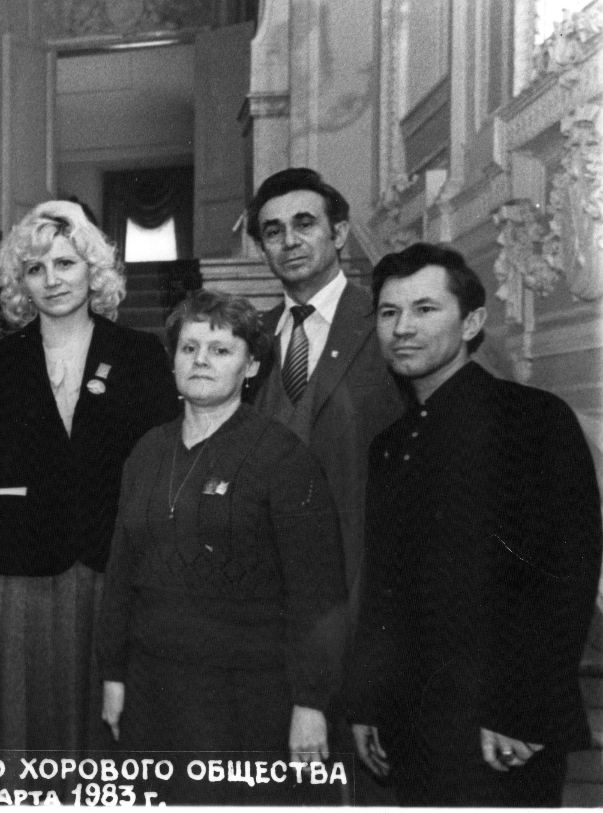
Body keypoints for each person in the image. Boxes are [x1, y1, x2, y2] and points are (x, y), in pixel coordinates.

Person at [345, 243, 601, 807]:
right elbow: (385, 589)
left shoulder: (532, 419)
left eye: (425, 309)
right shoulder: (391, 444)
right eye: (389, 312)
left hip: (500, 727)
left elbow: (567, 575)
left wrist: (523, 711)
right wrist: (367, 702)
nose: (402, 328)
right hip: (410, 722)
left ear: (472, 323)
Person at [98, 289, 347, 804]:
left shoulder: (283, 457)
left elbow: (317, 590)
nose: (201, 361)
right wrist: (114, 675)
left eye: (220, 350)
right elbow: (121, 574)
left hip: (247, 698)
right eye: (188, 348)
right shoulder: (147, 451)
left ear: (251, 365)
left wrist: (311, 703)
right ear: (172, 361)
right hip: (153, 688)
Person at [0, 201, 178, 760]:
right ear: (19, 282)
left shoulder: (139, 354)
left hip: (112, 568)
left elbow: (159, 474)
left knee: (105, 734)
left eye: (65, 263)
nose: (52, 280)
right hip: (20, 573)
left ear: (92, 269)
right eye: (36, 269)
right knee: (23, 733)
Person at [244, 167, 405, 801]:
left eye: (304, 223)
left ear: (339, 232)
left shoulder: (388, 322)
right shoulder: (252, 338)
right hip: (273, 599)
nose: (289, 241)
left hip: (366, 585)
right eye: (273, 231)